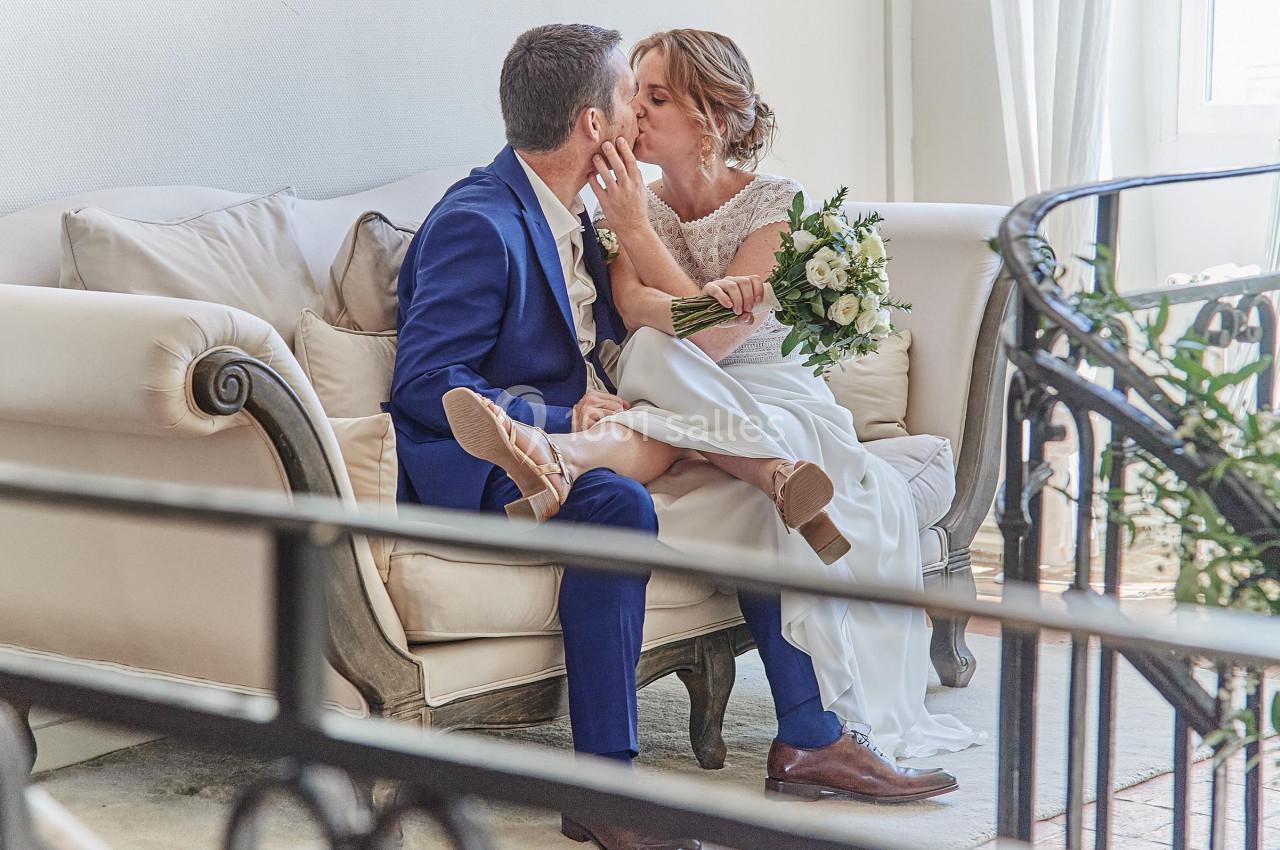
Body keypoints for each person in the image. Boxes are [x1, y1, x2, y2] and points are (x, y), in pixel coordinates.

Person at [389, 24, 960, 850]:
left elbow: (670, 330)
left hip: (658, 407)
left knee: (747, 494)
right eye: (631, 95)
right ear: (594, 123)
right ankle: (606, 790)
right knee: (619, 501)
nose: (638, 115)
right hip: (486, 455)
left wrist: (652, 340)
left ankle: (805, 729)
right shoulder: (480, 221)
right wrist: (558, 419)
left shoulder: (586, 215)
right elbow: (424, 380)